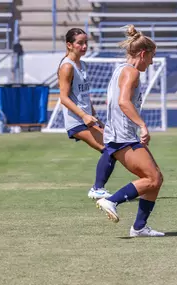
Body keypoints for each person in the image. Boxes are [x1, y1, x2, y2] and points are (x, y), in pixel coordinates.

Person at [95, 25, 165, 237]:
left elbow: (113, 101)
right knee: (152, 179)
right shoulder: (132, 72)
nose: (152, 62)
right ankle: (111, 200)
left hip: (120, 135)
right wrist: (142, 125)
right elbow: (124, 102)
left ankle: (140, 227)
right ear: (142, 54)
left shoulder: (120, 70)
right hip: (123, 137)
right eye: (151, 57)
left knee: (155, 178)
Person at [57, 28, 116, 199]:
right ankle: (97, 188)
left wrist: (95, 117)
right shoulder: (67, 66)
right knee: (110, 147)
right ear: (69, 45)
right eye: (80, 43)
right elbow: (63, 98)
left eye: (86, 43)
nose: (84, 46)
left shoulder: (82, 64)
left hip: (87, 118)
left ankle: (99, 188)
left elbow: (84, 96)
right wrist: (83, 115)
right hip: (76, 120)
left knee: (112, 146)